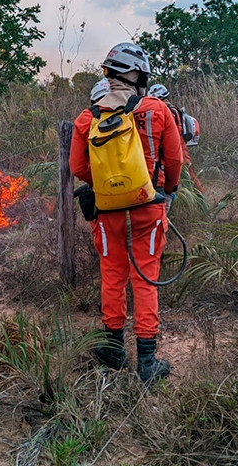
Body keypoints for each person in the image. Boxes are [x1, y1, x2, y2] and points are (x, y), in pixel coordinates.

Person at [70, 42, 183, 383]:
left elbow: (78, 166)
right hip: (149, 209)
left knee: (113, 277)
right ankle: (147, 362)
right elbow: (175, 160)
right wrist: (168, 190)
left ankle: (113, 351)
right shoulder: (156, 110)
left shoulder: (87, 117)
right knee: (145, 280)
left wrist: (106, 186)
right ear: (138, 75)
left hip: (107, 213)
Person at [148, 83, 203, 192]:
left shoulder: (169, 111)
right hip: (176, 144)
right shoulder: (170, 109)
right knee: (184, 172)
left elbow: (172, 133)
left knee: (187, 173)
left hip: (177, 145)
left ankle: (199, 197)